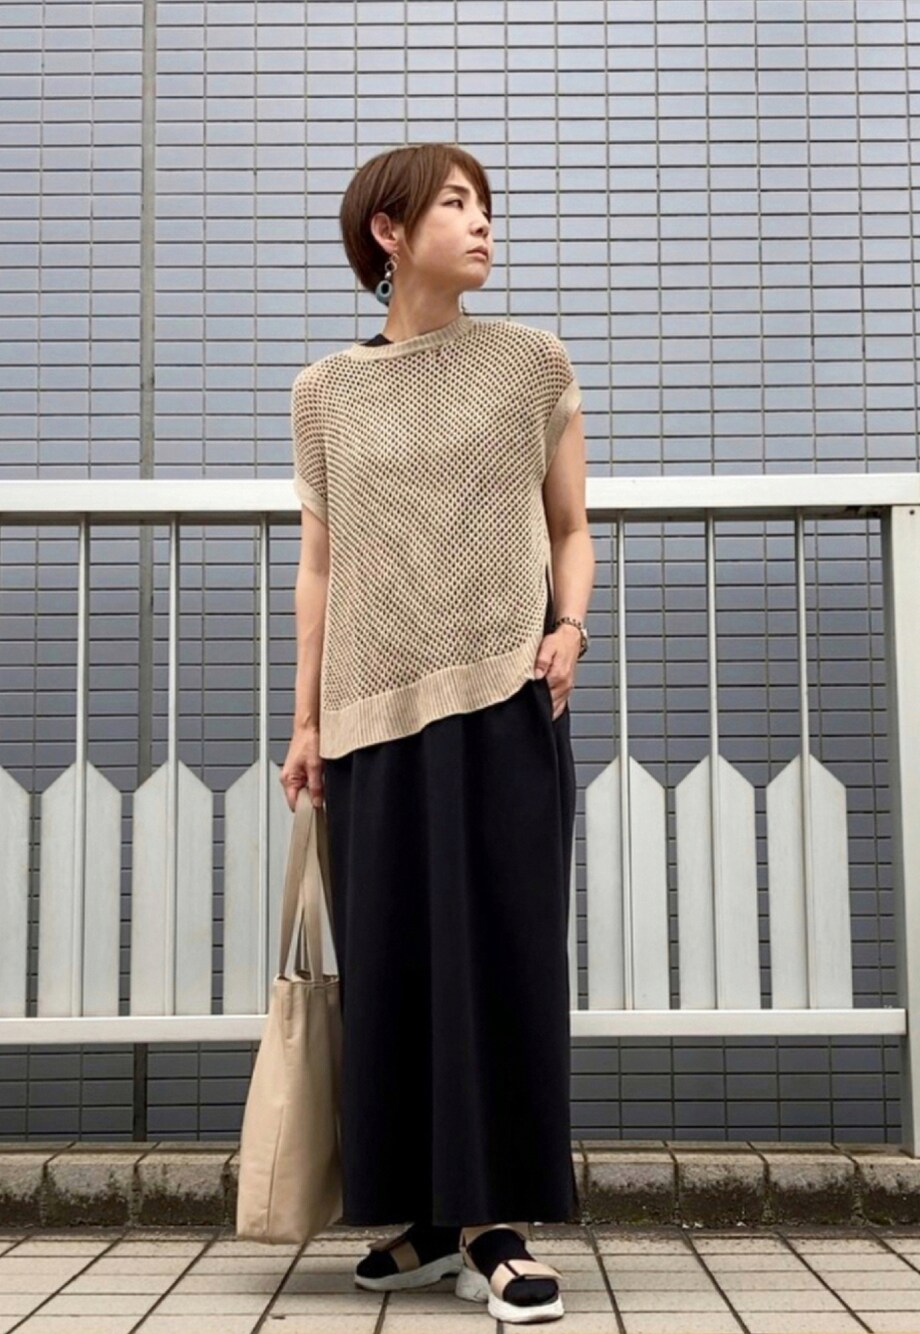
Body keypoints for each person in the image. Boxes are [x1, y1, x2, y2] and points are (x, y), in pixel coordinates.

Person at [279, 141, 595, 1326]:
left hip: (504, 699)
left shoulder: (530, 363)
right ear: (388, 231)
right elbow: (321, 564)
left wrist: (570, 627)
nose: (482, 223)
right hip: (369, 717)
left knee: (505, 953)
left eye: (484, 205)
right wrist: (305, 718)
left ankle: (494, 1225)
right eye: (456, 203)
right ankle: (422, 1217)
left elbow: (571, 527)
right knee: (394, 963)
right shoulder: (325, 392)